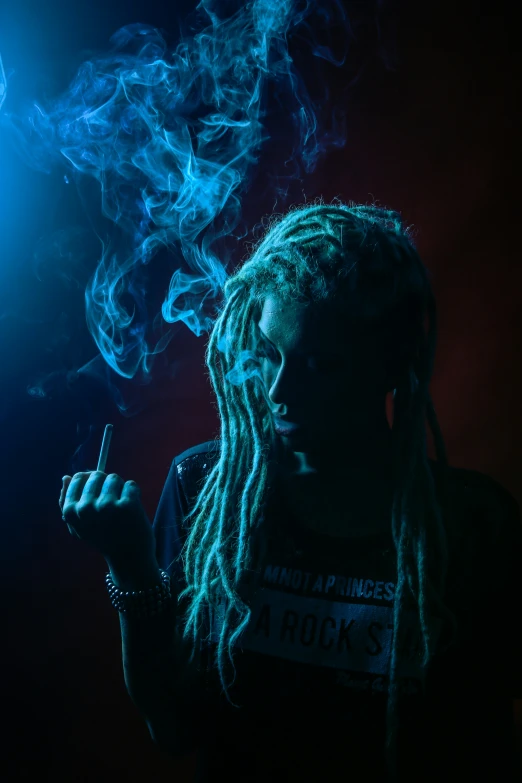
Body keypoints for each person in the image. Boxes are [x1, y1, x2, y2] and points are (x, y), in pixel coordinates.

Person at [60, 201, 522, 782]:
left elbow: (489, 748)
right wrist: (130, 564)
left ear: (389, 363)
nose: (280, 389)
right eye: (271, 353)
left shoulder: (473, 526)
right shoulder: (206, 491)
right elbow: (174, 727)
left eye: (321, 365)